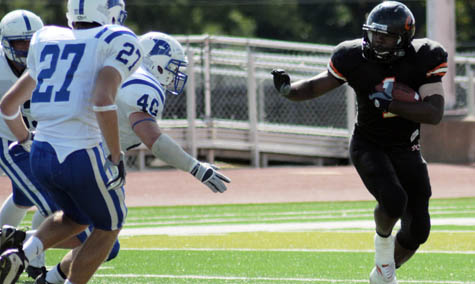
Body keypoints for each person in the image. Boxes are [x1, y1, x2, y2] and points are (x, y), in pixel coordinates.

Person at [34, 31, 231, 284]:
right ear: (155, 62)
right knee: (101, 232)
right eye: (172, 68)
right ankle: (26, 247)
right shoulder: (142, 83)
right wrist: (196, 168)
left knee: (98, 237)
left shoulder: (114, 72)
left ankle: (46, 274)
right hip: (85, 159)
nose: (175, 75)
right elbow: (154, 140)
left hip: (57, 149)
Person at [271, 1, 447, 284]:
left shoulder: (423, 58)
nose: (377, 39)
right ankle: (382, 253)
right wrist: (290, 91)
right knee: (392, 200)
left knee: (419, 231)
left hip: (407, 148)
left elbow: (434, 113)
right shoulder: (353, 56)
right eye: (373, 32)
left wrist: (391, 103)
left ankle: (382, 272)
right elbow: (319, 85)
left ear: (403, 37)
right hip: (369, 144)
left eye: (385, 35)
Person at [0, 0, 142, 283]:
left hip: (40, 153)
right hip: (80, 152)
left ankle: (23, 253)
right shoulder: (116, 40)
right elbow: (103, 100)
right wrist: (115, 155)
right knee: (109, 225)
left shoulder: (48, 40)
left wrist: (26, 140)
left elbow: (7, 106)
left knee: (75, 217)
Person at [0, 9, 54, 279]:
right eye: (20, 43)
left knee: (24, 197)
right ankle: (34, 265)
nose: (26, 49)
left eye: (31, 42)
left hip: (34, 136)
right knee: (50, 202)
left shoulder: (53, 60)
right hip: (7, 138)